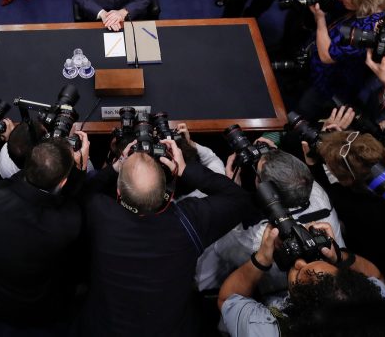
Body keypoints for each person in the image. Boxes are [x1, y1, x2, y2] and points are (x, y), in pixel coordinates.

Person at [78, 139, 259, 336]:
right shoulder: (188, 221)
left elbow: (80, 192)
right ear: (167, 191)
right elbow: (240, 199)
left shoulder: (99, 212)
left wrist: (116, 166)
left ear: (119, 192)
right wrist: (184, 169)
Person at [0, 134, 90, 324]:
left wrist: (44, 160)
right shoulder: (66, 224)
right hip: (37, 304)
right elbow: (68, 204)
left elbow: (16, 183)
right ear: (63, 183)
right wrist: (79, 171)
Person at [196, 145, 345, 293]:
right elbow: (291, 177)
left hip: (278, 296)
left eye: (258, 173)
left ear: (266, 191)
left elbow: (223, 250)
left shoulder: (264, 237)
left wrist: (233, 191)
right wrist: (277, 155)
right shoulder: (317, 191)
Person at [218, 222, 385, 337]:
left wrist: (262, 259)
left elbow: (227, 299)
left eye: (300, 274)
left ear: (297, 312)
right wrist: (339, 257)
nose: (298, 262)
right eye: (320, 262)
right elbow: (377, 278)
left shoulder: (264, 330)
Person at [295, 0, 385, 116]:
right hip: (316, 68)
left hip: (328, 85)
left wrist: (319, 19)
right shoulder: (367, 6)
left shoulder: (369, 30)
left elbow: (326, 55)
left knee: (303, 110)